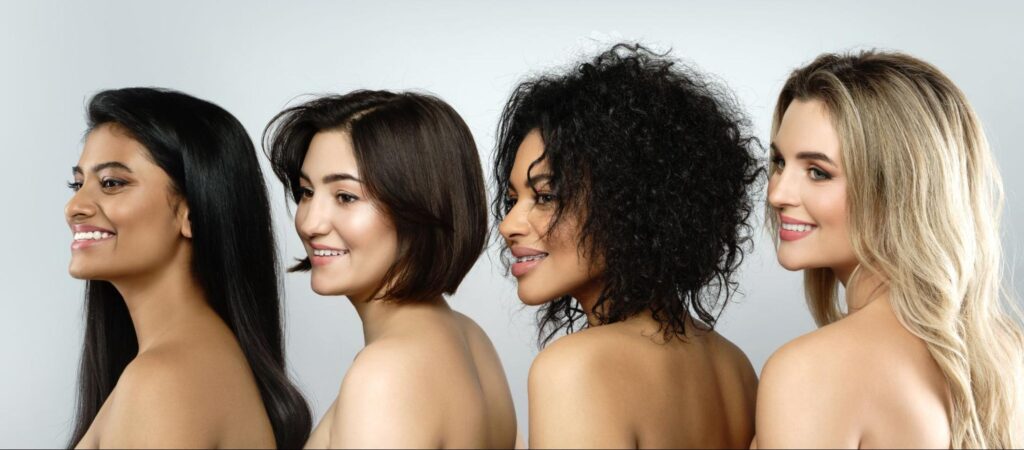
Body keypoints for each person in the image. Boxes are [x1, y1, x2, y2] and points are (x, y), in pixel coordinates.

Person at [493, 43, 762, 448]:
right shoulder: (735, 367)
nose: (508, 225)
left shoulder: (576, 369)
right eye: (514, 200)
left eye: (545, 196)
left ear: (629, 202)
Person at [756, 50, 1024, 448]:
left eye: (817, 172)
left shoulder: (809, 371)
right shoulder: (1005, 353)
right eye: (779, 162)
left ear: (896, 191)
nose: (777, 193)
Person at [264, 89, 517, 448]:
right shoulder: (469, 338)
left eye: (345, 196)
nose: (310, 223)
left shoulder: (385, 374)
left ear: (418, 206)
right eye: (306, 192)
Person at [65, 87, 310, 448]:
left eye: (112, 183)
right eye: (77, 183)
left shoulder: (164, 380)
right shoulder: (200, 362)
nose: (75, 206)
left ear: (192, 211)